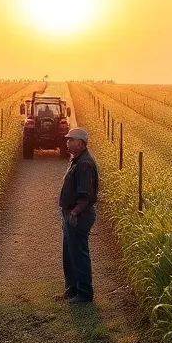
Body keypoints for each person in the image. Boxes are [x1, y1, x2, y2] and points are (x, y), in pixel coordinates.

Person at [59, 126, 98, 303]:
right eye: (67, 139)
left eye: (71, 140)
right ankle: (73, 288)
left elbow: (86, 195)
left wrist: (74, 213)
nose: (67, 142)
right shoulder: (78, 159)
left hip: (79, 216)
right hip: (72, 214)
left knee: (79, 254)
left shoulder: (84, 164)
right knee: (70, 253)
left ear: (81, 144)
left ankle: (84, 293)